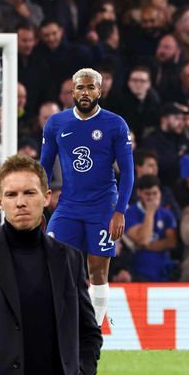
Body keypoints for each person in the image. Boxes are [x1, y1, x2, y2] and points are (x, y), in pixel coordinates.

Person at [0, 154, 102, 375]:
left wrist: (81, 370)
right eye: (11, 194)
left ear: (46, 197)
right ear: (0, 202)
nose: (20, 202)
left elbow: (88, 331)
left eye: (29, 192)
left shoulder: (70, 258)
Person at [40, 68, 134, 328]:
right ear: (72, 91)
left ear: (99, 91)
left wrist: (119, 211)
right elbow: (44, 167)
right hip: (68, 207)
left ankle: (90, 336)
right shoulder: (56, 123)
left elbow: (127, 171)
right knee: (55, 266)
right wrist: (38, 203)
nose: (85, 92)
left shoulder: (115, 124)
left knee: (98, 272)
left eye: (90, 87)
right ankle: (60, 327)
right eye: (80, 87)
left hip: (103, 207)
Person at [124, 174, 178, 281]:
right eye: (148, 194)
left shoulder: (166, 214)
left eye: (155, 193)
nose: (152, 197)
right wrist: (150, 212)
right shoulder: (130, 213)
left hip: (164, 272)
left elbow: (171, 242)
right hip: (139, 273)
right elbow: (144, 239)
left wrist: (145, 246)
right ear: (139, 193)